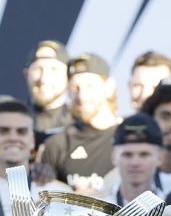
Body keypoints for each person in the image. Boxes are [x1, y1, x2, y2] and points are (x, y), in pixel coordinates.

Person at [40, 53, 121, 194]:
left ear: (109, 87)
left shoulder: (129, 138)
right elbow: (43, 198)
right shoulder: (58, 144)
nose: (81, 96)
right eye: (74, 89)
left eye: (90, 86)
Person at [24, 40, 70, 132]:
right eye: (38, 69)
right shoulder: (10, 122)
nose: (44, 78)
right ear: (26, 74)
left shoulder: (80, 126)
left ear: (68, 76)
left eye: (53, 69)